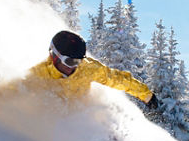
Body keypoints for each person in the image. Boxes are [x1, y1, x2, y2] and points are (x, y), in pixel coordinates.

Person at [10, 30, 159, 108]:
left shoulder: (87, 68)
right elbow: (11, 94)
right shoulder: (38, 75)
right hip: (55, 125)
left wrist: (145, 94)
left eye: (78, 61)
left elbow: (116, 78)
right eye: (69, 61)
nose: (74, 66)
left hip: (81, 118)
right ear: (54, 56)